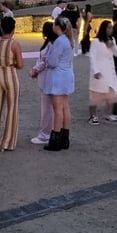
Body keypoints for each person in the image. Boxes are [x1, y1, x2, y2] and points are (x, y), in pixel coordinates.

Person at [0, 16, 24, 151]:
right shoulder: (14, 44)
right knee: (11, 109)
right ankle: (7, 142)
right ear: (13, 29)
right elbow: (20, 65)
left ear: (1, 28)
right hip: (10, 75)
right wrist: (12, 63)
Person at [42, 17, 75, 150]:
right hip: (66, 74)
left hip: (58, 76)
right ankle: (65, 138)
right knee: (65, 107)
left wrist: (46, 60)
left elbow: (52, 62)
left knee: (57, 109)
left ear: (57, 27)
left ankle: (55, 138)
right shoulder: (68, 40)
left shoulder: (60, 41)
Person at [29, 21, 57, 145]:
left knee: (47, 109)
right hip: (45, 78)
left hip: (48, 79)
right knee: (49, 107)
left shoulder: (51, 45)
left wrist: (35, 70)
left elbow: (45, 61)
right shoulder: (49, 43)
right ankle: (50, 132)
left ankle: (45, 134)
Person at [88, 20, 117, 125]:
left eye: (111, 28)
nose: (110, 30)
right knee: (96, 94)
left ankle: (109, 113)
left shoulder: (112, 40)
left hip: (110, 71)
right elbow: (92, 56)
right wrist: (96, 70)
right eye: (108, 28)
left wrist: (112, 46)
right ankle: (92, 115)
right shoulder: (96, 41)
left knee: (111, 93)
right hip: (99, 71)